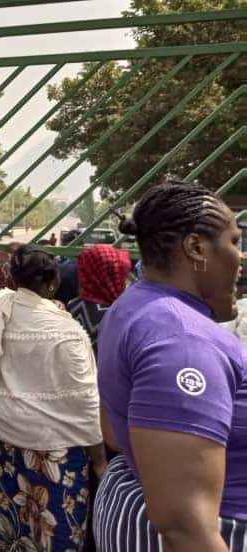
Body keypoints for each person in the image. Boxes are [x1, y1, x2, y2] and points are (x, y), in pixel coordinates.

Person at [92, 179, 246, 551]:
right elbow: (183, 523)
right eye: (235, 242)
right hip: (216, 530)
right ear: (196, 247)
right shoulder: (185, 340)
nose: (241, 257)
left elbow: (114, 431)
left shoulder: (135, 305)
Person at [0, 245, 103, 552]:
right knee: (54, 535)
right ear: (53, 283)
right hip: (55, 456)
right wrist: (99, 461)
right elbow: (86, 403)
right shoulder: (66, 331)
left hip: (7, 443)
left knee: (9, 529)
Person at [66, 245, 132, 356]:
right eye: (121, 276)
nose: (126, 282)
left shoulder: (72, 305)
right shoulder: (116, 318)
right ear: (108, 276)